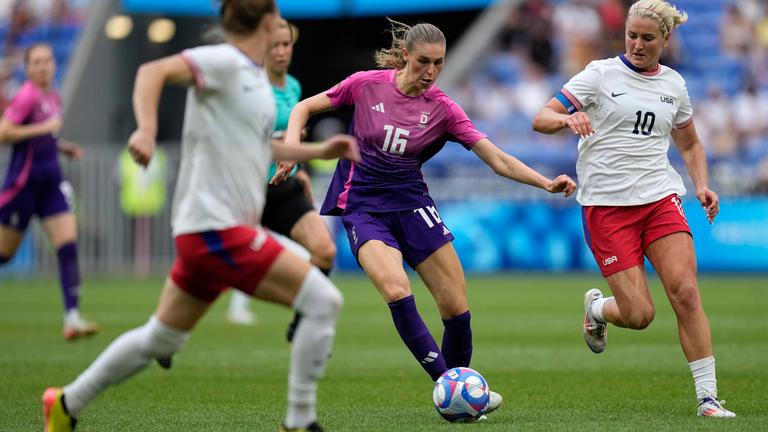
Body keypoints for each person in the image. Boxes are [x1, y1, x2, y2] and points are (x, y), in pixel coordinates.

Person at [41, 1, 359, 431]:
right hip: (216, 228)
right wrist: (147, 129)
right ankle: (300, 420)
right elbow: (150, 73)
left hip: (210, 232)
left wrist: (316, 152)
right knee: (324, 301)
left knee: (162, 337)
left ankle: (65, 403)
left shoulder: (251, 79)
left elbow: (260, 146)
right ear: (268, 23)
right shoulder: (224, 61)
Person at [275, 18, 576, 418]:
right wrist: (291, 148)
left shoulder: (444, 109)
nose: (432, 72)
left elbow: (497, 159)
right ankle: (454, 389)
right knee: (396, 289)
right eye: (424, 62)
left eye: (439, 63)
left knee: (456, 307)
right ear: (405, 56)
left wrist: (545, 183)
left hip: (414, 206)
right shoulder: (366, 85)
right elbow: (304, 107)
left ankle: (459, 393)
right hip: (363, 208)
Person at [532, 0, 736, 418]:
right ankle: (595, 309)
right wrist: (567, 121)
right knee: (640, 314)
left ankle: (708, 398)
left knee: (685, 291)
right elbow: (541, 117)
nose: (638, 44)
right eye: (632, 35)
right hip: (607, 208)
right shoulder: (599, 75)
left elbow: (691, 144)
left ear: (666, 39)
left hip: (660, 198)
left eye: (648, 38)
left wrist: (701, 184)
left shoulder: (674, 85)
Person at [227, 18, 337, 330]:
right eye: (274, 45)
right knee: (216, 268)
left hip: (283, 188)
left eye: (286, 44)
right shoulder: (247, 88)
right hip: (248, 190)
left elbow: (290, 135)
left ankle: (303, 323)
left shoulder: (293, 87)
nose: (281, 51)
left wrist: (298, 169)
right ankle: (167, 329)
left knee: (325, 251)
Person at [0, 42, 97, 341]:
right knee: (4, 255)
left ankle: (72, 318)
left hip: (51, 183)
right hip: (23, 186)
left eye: (47, 61)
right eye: (36, 62)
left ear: (54, 65)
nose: (43, 67)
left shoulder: (53, 96)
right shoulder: (27, 96)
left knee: (68, 245)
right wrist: (43, 130)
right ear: (28, 69)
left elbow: (48, 132)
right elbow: (5, 132)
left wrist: (62, 147)